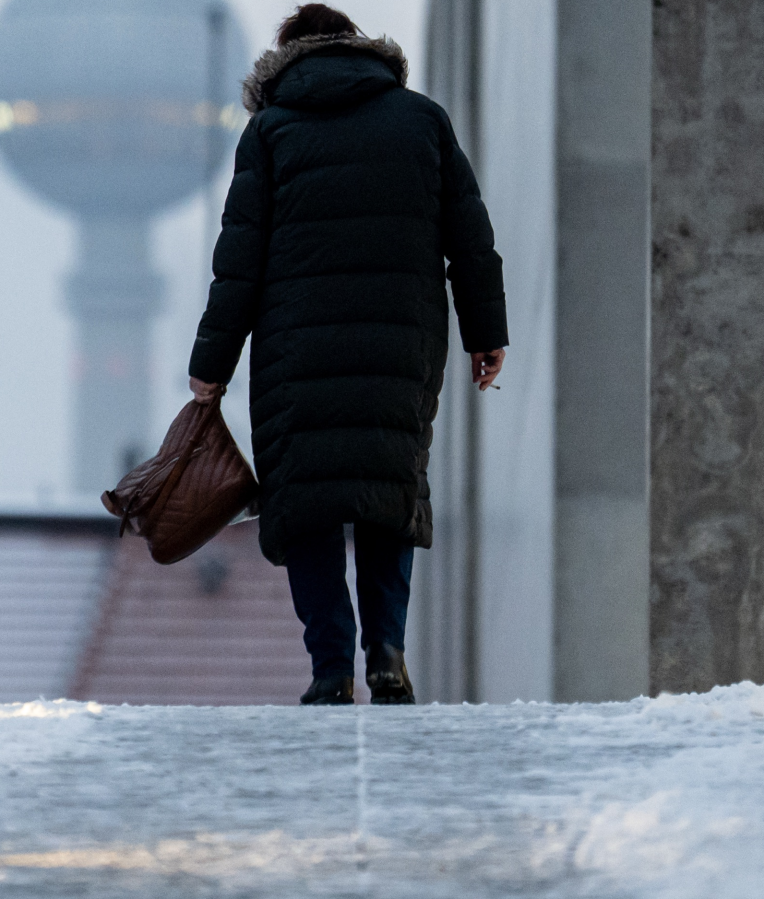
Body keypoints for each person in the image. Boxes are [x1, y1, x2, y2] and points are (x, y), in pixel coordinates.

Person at [188, 4, 507, 705]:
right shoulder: (422, 120)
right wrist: (487, 334)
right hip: (401, 345)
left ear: (285, 61)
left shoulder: (270, 133)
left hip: (295, 354)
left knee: (306, 504)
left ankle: (330, 667)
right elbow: (471, 241)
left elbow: (237, 264)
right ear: (360, 48)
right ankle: (387, 652)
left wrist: (212, 363)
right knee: (388, 494)